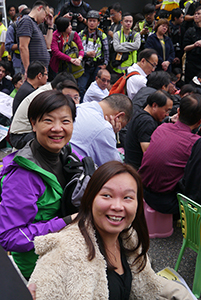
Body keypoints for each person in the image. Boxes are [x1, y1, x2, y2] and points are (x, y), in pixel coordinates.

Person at [28, 160, 194, 300]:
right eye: (107, 195)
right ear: (90, 198)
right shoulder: (64, 252)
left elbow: (148, 282)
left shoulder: (128, 237)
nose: (117, 206)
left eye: (128, 197)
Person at [0, 89, 80, 280]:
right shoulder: (23, 176)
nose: (57, 128)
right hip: (37, 266)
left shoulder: (65, 153)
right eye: (48, 120)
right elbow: (10, 237)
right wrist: (65, 222)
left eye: (65, 121)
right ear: (33, 124)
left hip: (62, 249)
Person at [139, 93, 201, 215]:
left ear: (178, 111)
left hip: (142, 190)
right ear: (199, 122)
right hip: (167, 202)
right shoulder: (195, 143)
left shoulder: (162, 128)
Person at [9, 72, 77, 149]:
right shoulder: (46, 96)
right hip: (21, 136)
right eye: (68, 95)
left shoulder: (48, 90)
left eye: (75, 97)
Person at [70, 93, 133, 166]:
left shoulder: (80, 107)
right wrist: (112, 133)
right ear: (119, 117)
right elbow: (115, 167)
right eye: (121, 126)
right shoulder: (104, 128)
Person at [125, 90, 173, 170]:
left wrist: (169, 120)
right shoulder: (147, 122)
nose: (167, 114)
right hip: (137, 170)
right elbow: (148, 152)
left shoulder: (141, 113)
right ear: (154, 105)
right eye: (166, 110)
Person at [78, 10, 109, 101]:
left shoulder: (102, 36)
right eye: (90, 20)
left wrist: (105, 64)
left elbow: (106, 51)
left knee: (96, 88)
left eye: (94, 21)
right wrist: (85, 54)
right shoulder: (81, 34)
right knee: (81, 87)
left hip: (97, 66)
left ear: (98, 23)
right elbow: (76, 51)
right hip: (84, 65)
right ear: (86, 21)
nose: (92, 23)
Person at [17, 0, 54, 77]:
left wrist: (50, 26)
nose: (45, 18)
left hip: (40, 72)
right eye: (46, 14)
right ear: (40, 8)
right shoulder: (26, 21)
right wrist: (27, 70)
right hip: (33, 73)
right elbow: (23, 47)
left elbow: (48, 45)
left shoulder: (35, 25)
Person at [5, 7, 31, 75]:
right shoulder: (13, 27)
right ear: (20, 17)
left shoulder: (33, 26)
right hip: (18, 61)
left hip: (32, 59)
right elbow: (7, 46)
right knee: (19, 82)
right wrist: (22, 44)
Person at [183, 6, 201, 83]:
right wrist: (195, 45)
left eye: (199, 14)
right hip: (192, 64)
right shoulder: (190, 30)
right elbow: (185, 48)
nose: (196, 16)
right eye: (195, 14)